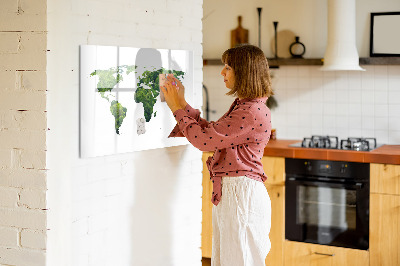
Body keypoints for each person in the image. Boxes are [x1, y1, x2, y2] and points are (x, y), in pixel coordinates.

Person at [161, 44, 273, 266]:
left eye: (228, 67)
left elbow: (204, 141)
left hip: (241, 195)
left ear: (244, 72)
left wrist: (176, 108)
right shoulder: (246, 106)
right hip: (236, 193)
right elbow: (212, 133)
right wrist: (182, 103)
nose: (222, 72)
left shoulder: (250, 111)